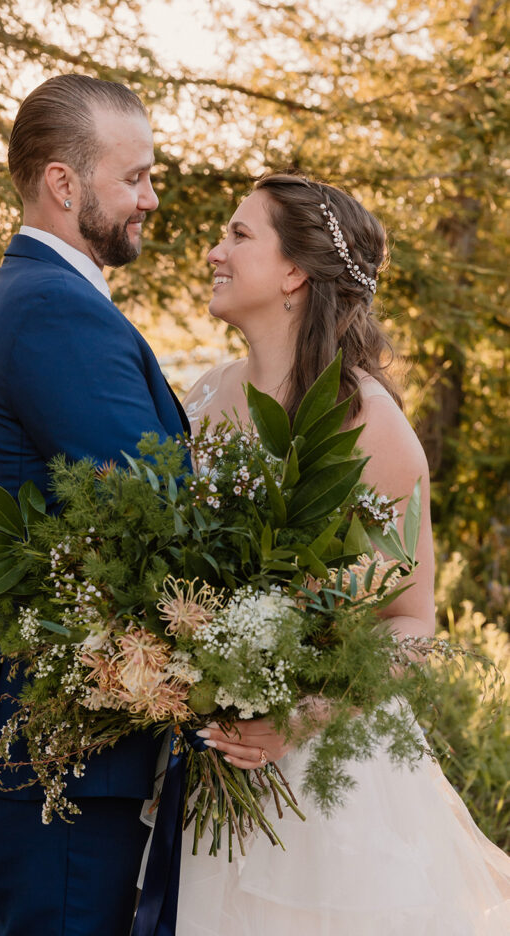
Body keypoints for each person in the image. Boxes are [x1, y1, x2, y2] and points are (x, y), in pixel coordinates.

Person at [175, 173, 510, 934]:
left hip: (330, 780)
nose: (212, 252)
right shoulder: (200, 398)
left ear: (293, 271)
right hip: (214, 759)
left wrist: (296, 719)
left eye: (236, 235)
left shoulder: (369, 423)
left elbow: (410, 624)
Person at [0, 74, 189, 936]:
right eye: (134, 177)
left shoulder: (43, 300)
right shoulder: (53, 309)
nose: (149, 198)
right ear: (62, 183)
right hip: (63, 739)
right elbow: (157, 505)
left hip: (67, 735)